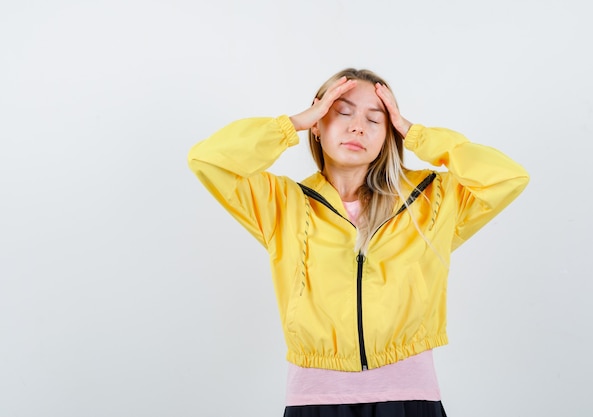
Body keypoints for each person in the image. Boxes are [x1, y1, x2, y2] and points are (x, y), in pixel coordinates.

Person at [188, 68, 529, 417]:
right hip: (315, 401)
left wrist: (417, 135)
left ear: (389, 134)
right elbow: (208, 160)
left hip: (410, 398)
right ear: (318, 125)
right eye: (342, 112)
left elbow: (507, 177)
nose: (357, 127)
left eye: (375, 119)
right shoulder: (283, 203)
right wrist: (292, 124)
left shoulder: (431, 200)